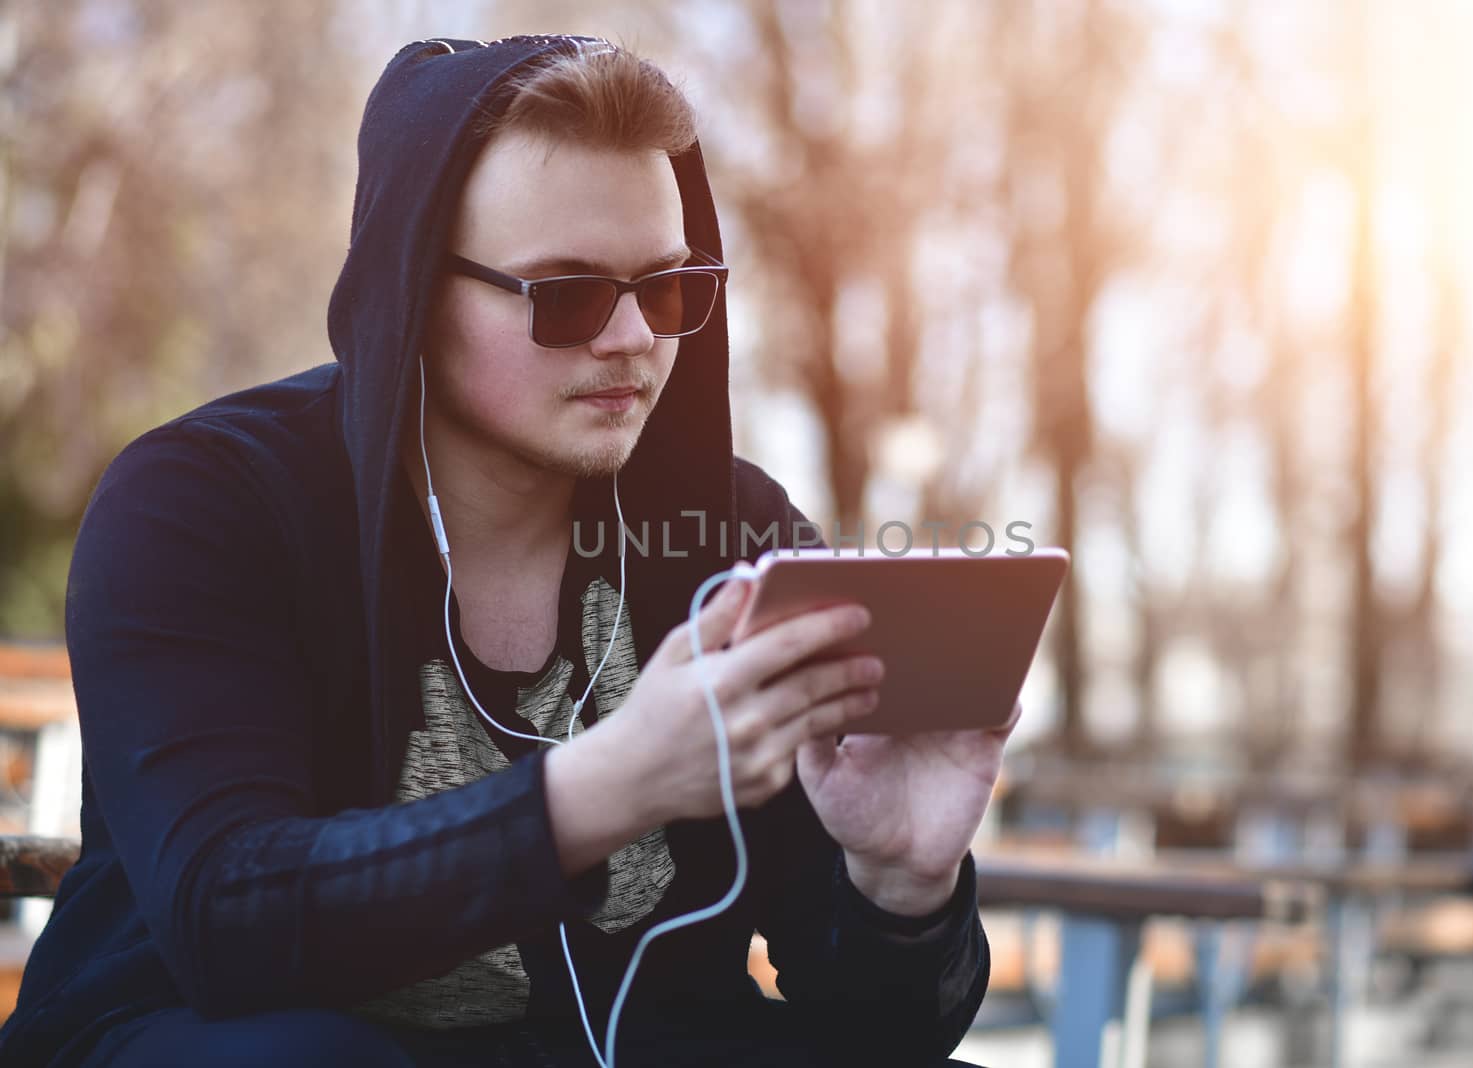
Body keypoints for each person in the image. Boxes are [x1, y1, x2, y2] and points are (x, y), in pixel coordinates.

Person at [0, 35, 1017, 1068]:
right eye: (567, 294)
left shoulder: (731, 537)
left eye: (666, 289)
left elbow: (877, 1037)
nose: (630, 339)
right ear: (412, 291)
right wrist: (609, 785)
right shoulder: (203, 502)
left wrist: (900, 885)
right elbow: (227, 915)